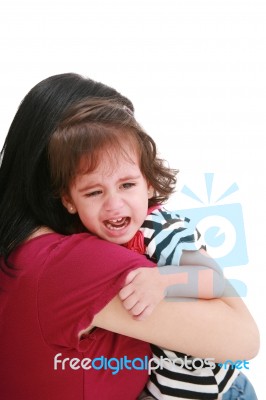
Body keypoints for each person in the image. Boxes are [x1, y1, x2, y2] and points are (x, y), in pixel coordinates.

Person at [0, 73, 259, 400]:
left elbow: (216, 284)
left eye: (127, 184)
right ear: (65, 196)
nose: (114, 204)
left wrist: (163, 280)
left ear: (148, 183)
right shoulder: (71, 255)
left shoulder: (162, 231)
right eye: (94, 190)